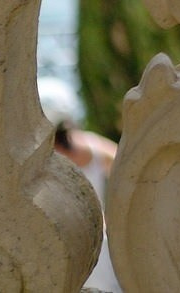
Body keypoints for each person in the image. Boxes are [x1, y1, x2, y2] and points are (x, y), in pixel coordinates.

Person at [40, 77, 123, 292]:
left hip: (61, 247)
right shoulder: (92, 145)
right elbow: (131, 172)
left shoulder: (42, 158)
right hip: (102, 243)